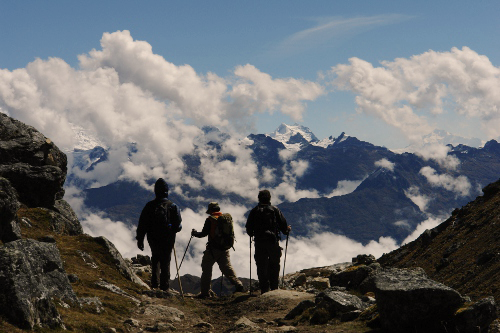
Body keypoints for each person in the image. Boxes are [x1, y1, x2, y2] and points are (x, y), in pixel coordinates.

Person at [136, 178, 182, 291]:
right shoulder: (173, 206)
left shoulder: (149, 206)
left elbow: (142, 224)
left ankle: (154, 284)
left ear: (156, 191)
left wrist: (140, 239)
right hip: (168, 238)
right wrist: (174, 229)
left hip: (153, 238)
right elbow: (178, 225)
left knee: (155, 258)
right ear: (167, 191)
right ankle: (164, 286)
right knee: (166, 261)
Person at [191, 202, 244, 298]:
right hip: (224, 249)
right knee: (227, 267)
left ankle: (205, 292)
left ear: (211, 210)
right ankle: (238, 283)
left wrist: (194, 233)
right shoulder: (226, 218)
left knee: (206, 269)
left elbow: (203, 234)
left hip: (212, 249)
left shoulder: (210, 220)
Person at [245, 190, 291, 294]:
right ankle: (274, 288)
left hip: (259, 242)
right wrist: (287, 229)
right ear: (269, 198)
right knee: (274, 264)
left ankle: (264, 289)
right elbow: (284, 227)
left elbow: (248, 229)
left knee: (261, 265)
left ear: (259, 198)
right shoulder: (275, 210)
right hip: (272, 242)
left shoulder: (254, 211)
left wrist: (253, 234)